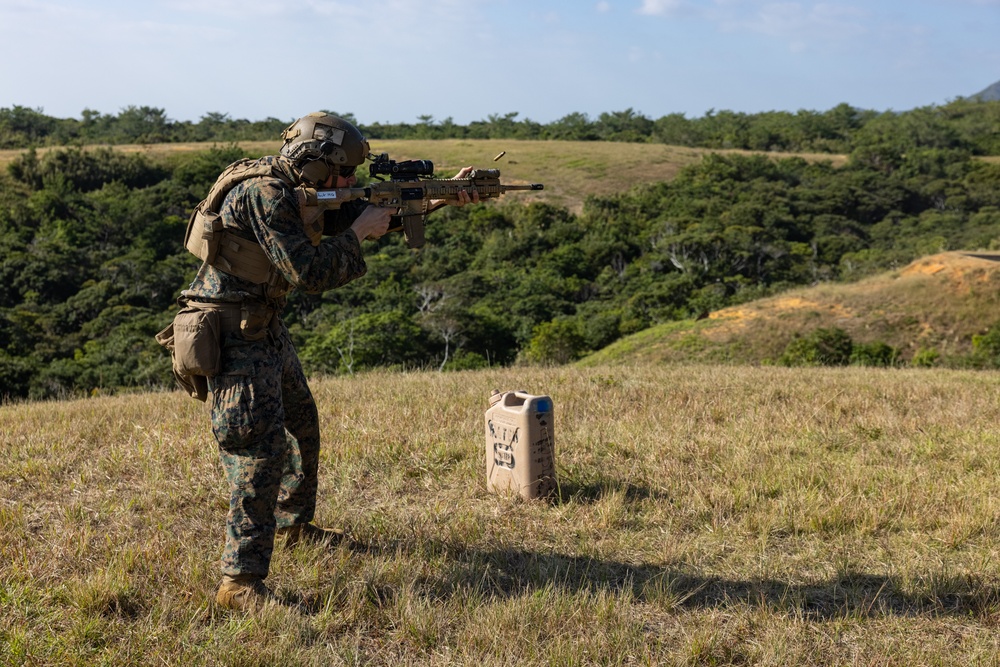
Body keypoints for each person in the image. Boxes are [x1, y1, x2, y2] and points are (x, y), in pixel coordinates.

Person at [177, 112, 477, 611]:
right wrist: (359, 233)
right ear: (315, 165)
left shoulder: (292, 187)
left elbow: (350, 215)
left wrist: (437, 196)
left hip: (262, 324)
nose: (353, 182)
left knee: (302, 423)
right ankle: (239, 583)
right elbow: (310, 271)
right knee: (259, 452)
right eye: (346, 173)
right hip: (232, 335)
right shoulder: (265, 194)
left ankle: (296, 526)